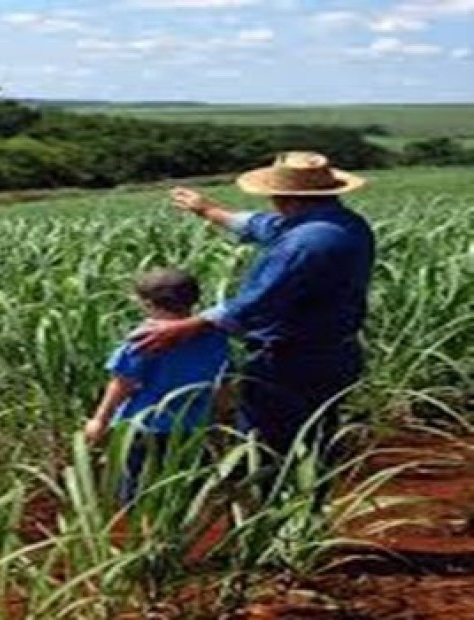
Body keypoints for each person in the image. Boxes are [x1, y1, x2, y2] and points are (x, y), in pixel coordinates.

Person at [134, 152, 375, 457]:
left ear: (282, 197)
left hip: (292, 362)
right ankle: (312, 498)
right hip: (334, 354)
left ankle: (279, 499)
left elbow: (259, 301)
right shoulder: (342, 222)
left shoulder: (306, 243)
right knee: (314, 440)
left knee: (269, 449)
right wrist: (207, 209)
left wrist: (190, 326)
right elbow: (265, 226)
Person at [85, 268, 229, 504]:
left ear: (147, 304)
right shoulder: (214, 336)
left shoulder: (146, 338)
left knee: (136, 492)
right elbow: (222, 381)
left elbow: (122, 384)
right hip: (193, 427)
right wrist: (219, 418)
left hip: (144, 428)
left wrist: (99, 420)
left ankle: (142, 534)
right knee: (184, 491)